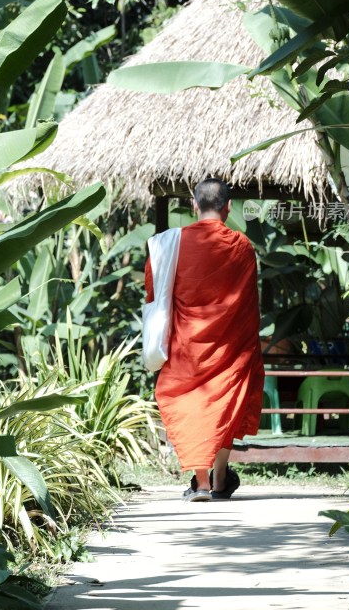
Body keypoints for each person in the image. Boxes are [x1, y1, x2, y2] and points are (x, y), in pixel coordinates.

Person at [145, 178, 264, 502]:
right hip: (231, 345)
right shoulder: (242, 246)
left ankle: (201, 481)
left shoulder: (173, 244)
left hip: (187, 345)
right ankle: (220, 476)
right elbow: (249, 303)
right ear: (227, 208)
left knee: (189, 403)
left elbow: (154, 293)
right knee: (226, 402)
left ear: (194, 206)